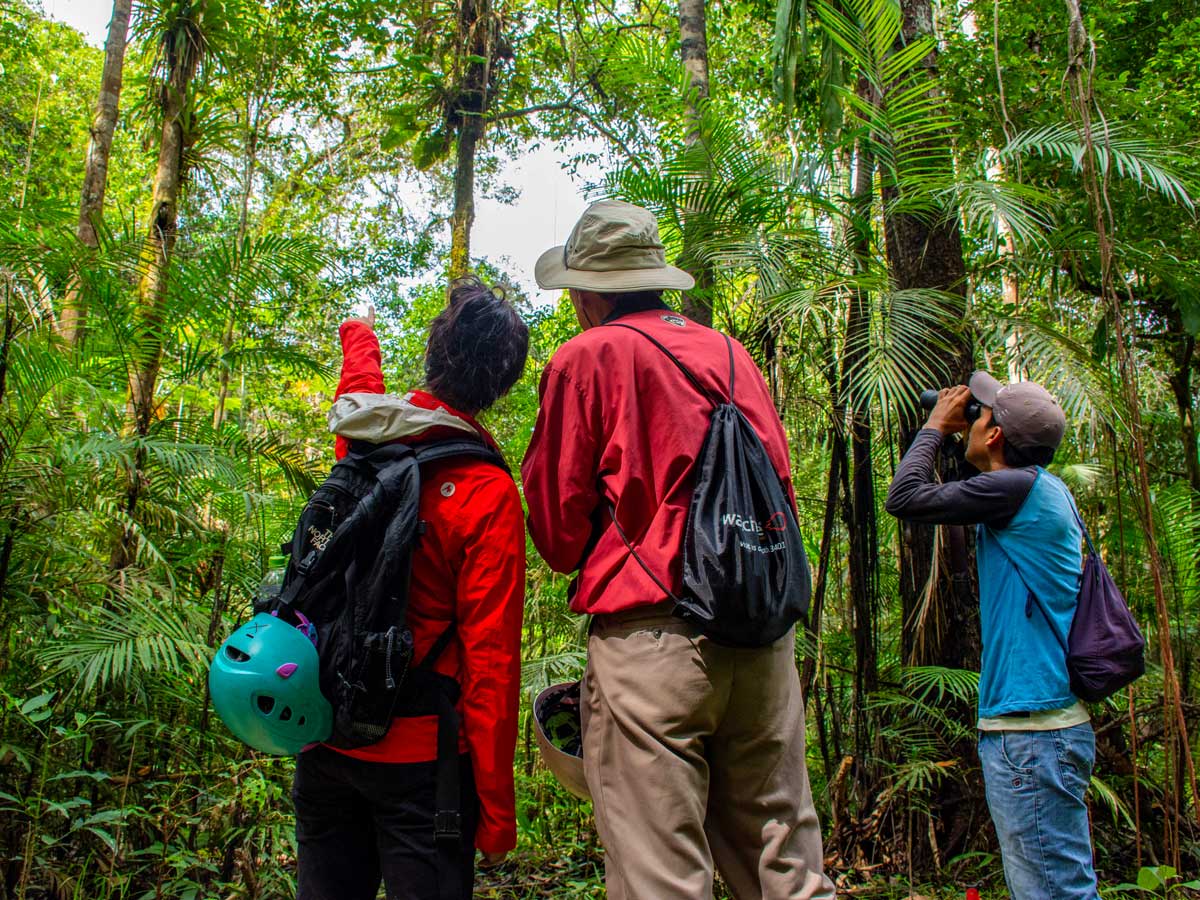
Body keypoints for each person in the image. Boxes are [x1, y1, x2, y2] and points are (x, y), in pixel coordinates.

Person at [522, 199, 836, 900]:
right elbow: (777, 487)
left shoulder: (587, 357)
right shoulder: (731, 354)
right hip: (761, 638)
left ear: (586, 293)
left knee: (659, 875)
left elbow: (558, 532)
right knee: (784, 859)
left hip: (652, 644)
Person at [292, 277, 529, 900]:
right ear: (501, 386)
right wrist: (497, 816)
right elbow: (492, 665)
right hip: (422, 769)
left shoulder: (367, 441)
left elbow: (357, 390)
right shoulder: (487, 492)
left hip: (325, 732)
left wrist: (359, 332)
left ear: (433, 350)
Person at [885, 374, 1099, 900]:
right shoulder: (1037, 490)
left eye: (981, 415)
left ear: (997, 435)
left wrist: (935, 425)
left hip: (1032, 731)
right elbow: (965, 489)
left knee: (1051, 891)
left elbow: (905, 496)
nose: (971, 418)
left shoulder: (1015, 490)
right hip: (1043, 726)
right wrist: (965, 435)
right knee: (1057, 886)